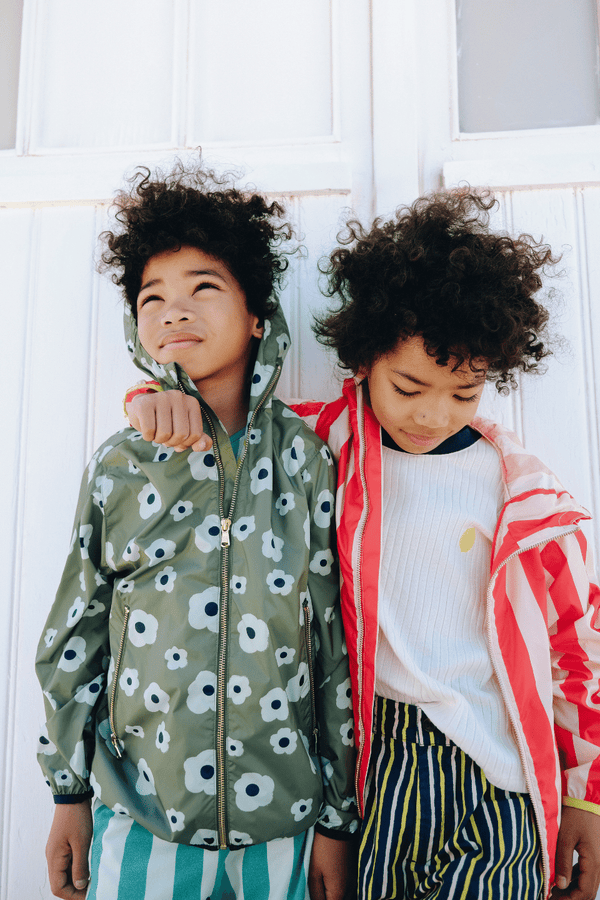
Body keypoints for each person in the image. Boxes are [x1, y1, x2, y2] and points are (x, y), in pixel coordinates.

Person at [125, 189, 600, 900]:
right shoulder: (321, 447)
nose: (434, 413)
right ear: (366, 358)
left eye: (464, 392)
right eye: (409, 386)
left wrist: (587, 798)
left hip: (498, 774)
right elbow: (222, 428)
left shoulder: (527, 498)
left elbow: (578, 649)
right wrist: (149, 400)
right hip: (377, 773)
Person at [36, 161, 358, 900]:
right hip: (142, 820)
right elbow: (75, 633)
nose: (175, 310)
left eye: (203, 288)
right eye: (153, 298)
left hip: (284, 826)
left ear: (256, 317)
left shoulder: (307, 461)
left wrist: (339, 823)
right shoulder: (121, 464)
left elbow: (334, 646)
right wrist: (67, 792)